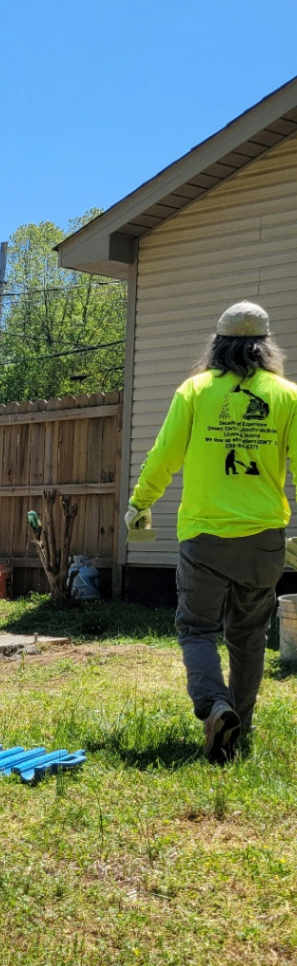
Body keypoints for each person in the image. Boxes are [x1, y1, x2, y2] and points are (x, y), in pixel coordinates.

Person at [126, 300, 297, 763]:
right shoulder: (288, 395)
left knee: (197, 628)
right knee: (249, 634)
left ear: (218, 345)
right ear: (265, 348)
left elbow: (164, 456)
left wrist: (141, 502)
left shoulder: (196, 390)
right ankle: (238, 722)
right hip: (264, 538)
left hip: (204, 537)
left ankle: (214, 707)